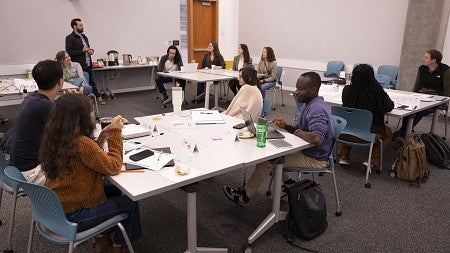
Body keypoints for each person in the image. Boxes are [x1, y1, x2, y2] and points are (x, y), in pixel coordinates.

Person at [40, 94, 142, 253]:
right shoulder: (82, 143)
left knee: (114, 190)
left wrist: (101, 137)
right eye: (90, 111)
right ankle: (117, 248)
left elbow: (86, 157)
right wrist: (115, 134)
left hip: (57, 208)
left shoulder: (57, 138)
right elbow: (114, 166)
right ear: (82, 117)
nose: (92, 115)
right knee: (131, 202)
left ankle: (102, 242)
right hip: (74, 216)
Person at [223, 72, 335, 205]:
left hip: (315, 158)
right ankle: (288, 183)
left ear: (314, 90)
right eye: (296, 87)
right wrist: (286, 126)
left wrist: (296, 130)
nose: (296, 92)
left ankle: (244, 196)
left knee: (267, 161)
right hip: (308, 151)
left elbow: (317, 138)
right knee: (272, 154)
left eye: (300, 88)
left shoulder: (316, 108)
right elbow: (300, 130)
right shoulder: (309, 104)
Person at [8, 60, 64, 185]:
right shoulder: (44, 106)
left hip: (17, 166)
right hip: (32, 171)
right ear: (60, 82)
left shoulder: (32, 98)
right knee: (83, 173)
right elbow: (70, 132)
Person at [338, 64, 394, 170]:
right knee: (389, 134)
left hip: (343, 132)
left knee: (352, 122)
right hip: (365, 135)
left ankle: (344, 156)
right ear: (372, 76)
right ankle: (371, 161)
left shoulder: (347, 90)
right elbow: (389, 106)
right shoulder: (376, 91)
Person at [393, 49, 450, 139]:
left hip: (436, 100)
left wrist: (443, 108)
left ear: (433, 61)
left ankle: (404, 132)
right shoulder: (422, 68)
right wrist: (411, 98)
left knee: (419, 111)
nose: (423, 59)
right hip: (421, 96)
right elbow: (417, 85)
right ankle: (406, 131)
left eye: (426, 57)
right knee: (408, 108)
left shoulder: (445, 70)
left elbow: (448, 91)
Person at [65, 18, 106, 105]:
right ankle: (85, 101)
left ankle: (97, 98)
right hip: (79, 66)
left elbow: (87, 49)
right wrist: (82, 51)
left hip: (88, 64)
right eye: (80, 25)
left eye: (82, 25)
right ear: (74, 26)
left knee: (92, 82)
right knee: (82, 83)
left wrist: (91, 51)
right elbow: (69, 52)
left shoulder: (84, 37)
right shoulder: (70, 38)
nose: (82, 27)